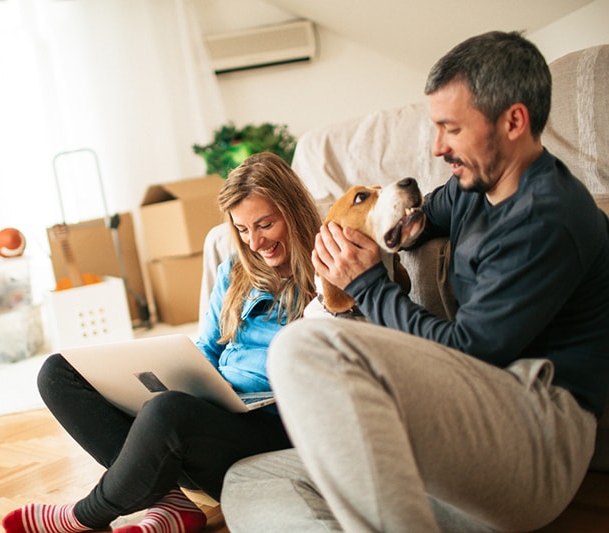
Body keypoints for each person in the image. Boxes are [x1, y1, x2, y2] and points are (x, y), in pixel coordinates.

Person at [221, 31, 609, 533]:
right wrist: (363, 238)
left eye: (451, 128)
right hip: (470, 431)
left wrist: (366, 284)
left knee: (303, 347)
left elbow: (468, 350)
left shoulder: (547, 217)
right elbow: (417, 216)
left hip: (537, 437)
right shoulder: (475, 187)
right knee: (251, 479)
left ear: (514, 121)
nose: (437, 146)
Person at [2, 151, 322, 533]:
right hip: (210, 417)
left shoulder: (327, 272)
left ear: (294, 211)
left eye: (265, 224)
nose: (254, 241)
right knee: (57, 372)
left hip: (270, 427)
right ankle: (169, 502)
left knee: (168, 412)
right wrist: (171, 377)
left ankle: (84, 516)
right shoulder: (234, 273)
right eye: (242, 230)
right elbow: (207, 350)